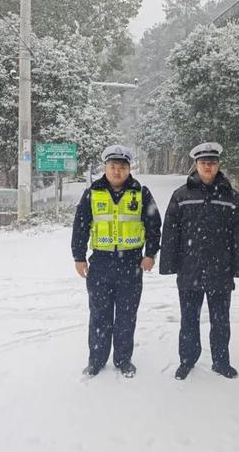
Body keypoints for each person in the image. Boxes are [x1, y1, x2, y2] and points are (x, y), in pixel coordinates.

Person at [159, 142, 239, 380]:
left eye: (212, 162)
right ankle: (187, 360)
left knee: (221, 321)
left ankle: (221, 361)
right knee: (189, 320)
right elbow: (170, 231)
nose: (207, 167)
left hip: (221, 269)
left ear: (218, 165)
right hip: (189, 268)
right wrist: (169, 264)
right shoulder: (181, 195)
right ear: (196, 165)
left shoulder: (231, 196)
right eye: (203, 163)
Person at [71, 145, 161, 378]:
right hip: (100, 263)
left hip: (131, 263)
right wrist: (79, 257)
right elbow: (80, 226)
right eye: (113, 167)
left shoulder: (141, 193)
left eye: (122, 167)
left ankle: (123, 360)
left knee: (126, 316)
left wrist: (150, 254)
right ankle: (96, 360)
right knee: (99, 315)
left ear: (129, 168)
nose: (117, 171)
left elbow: (153, 225)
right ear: (105, 168)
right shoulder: (92, 193)